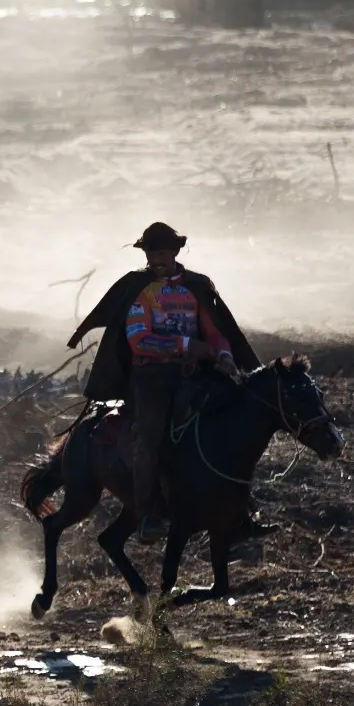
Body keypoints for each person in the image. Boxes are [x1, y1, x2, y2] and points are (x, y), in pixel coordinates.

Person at [65, 223, 256, 544]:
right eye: (152, 254)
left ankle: (241, 512)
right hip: (150, 378)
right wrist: (186, 346)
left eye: (163, 254)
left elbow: (213, 330)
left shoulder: (196, 287)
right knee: (150, 438)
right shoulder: (139, 289)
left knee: (234, 427)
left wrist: (223, 355)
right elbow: (139, 339)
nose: (157, 261)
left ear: (175, 253)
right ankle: (148, 514)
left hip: (194, 374)